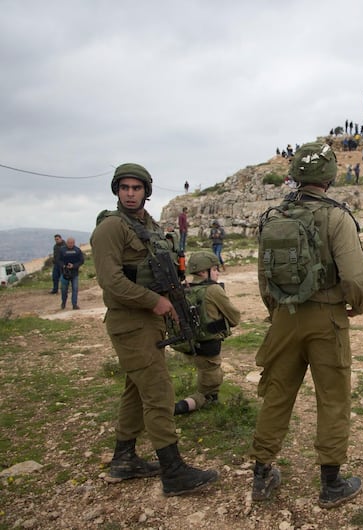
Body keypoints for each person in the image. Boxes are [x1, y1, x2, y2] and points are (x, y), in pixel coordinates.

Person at [250, 142, 363, 509]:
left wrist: (277, 314)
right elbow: (354, 276)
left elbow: (264, 278)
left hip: (284, 319)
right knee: (332, 398)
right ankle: (331, 484)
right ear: (330, 177)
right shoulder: (338, 218)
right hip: (327, 319)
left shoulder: (273, 217)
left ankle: (261, 474)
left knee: (276, 396)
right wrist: (357, 306)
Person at [91, 162, 218, 496]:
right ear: (116, 191)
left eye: (136, 188)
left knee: (136, 388)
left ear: (146, 190)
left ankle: (124, 459)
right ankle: (173, 471)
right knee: (159, 391)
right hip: (130, 322)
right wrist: (154, 301)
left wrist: (172, 302)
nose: (130, 194)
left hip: (149, 321)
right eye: (124, 188)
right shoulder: (111, 228)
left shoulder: (148, 226)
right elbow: (111, 282)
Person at [174, 251, 241, 415]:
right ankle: (176, 408)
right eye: (215, 269)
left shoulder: (185, 289)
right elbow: (235, 318)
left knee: (207, 379)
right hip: (209, 347)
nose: (217, 272)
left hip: (190, 345)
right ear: (204, 272)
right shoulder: (213, 290)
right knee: (208, 388)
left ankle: (210, 400)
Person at [59, 237, 84, 309]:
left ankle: (74, 304)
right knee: (64, 289)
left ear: (74, 243)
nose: (70, 244)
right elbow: (58, 260)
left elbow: (81, 261)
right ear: (66, 243)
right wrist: (64, 265)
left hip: (74, 273)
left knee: (75, 289)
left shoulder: (77, 250)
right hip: (64, 273)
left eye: (71, 243)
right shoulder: (62, 250)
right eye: (69, 243)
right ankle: (63, 303)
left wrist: (74, 265)